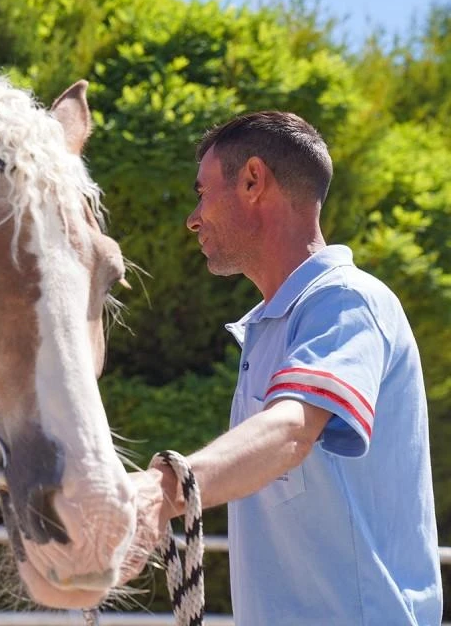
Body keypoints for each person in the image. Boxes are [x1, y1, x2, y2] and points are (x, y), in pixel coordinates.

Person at [128, 111, 442, 624]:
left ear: (253, 180)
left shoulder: (346, 300)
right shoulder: (274, 326)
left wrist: (162, 491)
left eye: (202, 193)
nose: (192, 217)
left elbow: (293, 431)